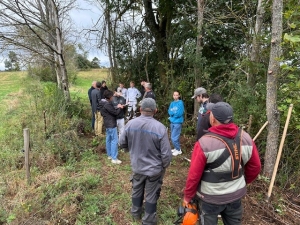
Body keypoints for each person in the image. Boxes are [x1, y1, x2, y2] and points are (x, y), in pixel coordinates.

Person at [183, 102, 261, 225]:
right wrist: (241, 182)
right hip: (235, 196)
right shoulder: (246, 138)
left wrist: (188, 196)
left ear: (212, 118)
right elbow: (255, 167)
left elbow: (194, 175)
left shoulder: (204, 143)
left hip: (210, 198)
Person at [119, 98, 172, 225]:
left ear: (140, 109)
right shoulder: (160, 128)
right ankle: (148, 220)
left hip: (137, 166)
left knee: (136, 188)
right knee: (151, 193)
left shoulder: (130, 124)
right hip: (154, 170)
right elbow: (166, 154)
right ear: (155, 111)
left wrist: (130, 151)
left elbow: (122, 143)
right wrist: (164, 166)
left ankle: (135, 212)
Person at [99, 90, 124, 164]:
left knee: (108, 139)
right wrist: (120, 107)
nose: (113, 97)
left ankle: (109, 155)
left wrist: (116, 107)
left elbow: (110, 110)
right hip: (111, 124)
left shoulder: (102, 103)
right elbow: (115, 113)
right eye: (112, 96)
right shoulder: (107, 104)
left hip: (107, 123)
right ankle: (114, 158)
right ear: (110, 97)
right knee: (114, 140)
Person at [168, 90, 184, 156]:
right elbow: (169, 111)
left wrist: (172, 114)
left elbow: (179, 113)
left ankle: (178, 150)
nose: (175, 96)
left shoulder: (180, 103)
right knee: (174, 136)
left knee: (174, 137)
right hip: (172, 122)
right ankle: (176, 148)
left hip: (177, 122)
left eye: (177, 95)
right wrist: (172, 114)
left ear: (179, 96)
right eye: (174, 95)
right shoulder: (172, 103)